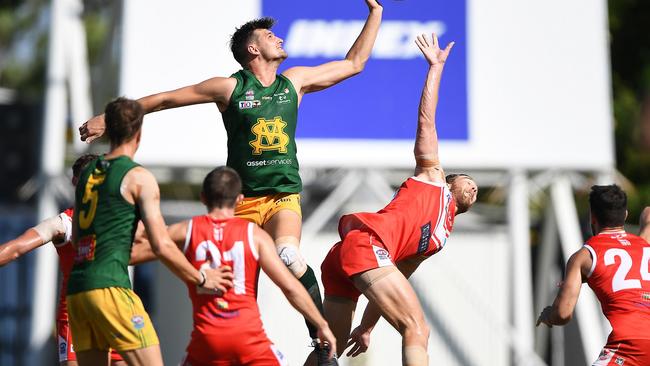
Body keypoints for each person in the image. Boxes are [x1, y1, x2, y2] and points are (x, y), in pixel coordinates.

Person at [78, 3, 382, 361]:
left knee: (288, 256)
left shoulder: (295, 81)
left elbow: (354, 64)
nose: (279, 38)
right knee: (237, 286)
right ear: (253, 49)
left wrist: (375, 12)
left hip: (282, 198)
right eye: (270, 36)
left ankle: (321, 341)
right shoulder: (229, 87)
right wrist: (107, 118)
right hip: (241, 202)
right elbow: (164, 100)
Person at [314, 33, 477, 366]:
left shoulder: (439, 237)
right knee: (417, 329)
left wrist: (367, 326)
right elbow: (426, 122)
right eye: (467, 180)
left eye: (476, 189)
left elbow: (396, 274)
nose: (473, 187)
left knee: (331, 347)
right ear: (449, 180)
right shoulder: (432, 179)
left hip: (354, 256)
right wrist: (435, 68)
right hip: (364, 245)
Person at [67, 98, 234, 366]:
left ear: (110, 129)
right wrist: (202, 278)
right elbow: (162, 245)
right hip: (111, 288)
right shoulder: (137, 177)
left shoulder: (88, 174)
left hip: (78, 291)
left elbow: (77, 239)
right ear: (139, 133)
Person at [131, 166, 337, 365]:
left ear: (203, 197)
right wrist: (321, 325)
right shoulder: (254, 235)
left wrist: (141, 231)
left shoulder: (187, 230)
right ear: (239, 199)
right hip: (250, 341)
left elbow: (138, 253)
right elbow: (290, 287)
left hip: (206, 343)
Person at [0, 154, 126, 366]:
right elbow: (15, 249)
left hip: (114, 311)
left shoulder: (120, 219)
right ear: (75, 183)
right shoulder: (64, 222)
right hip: (77, 317)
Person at [537, 185, 650, 366]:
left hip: (628, 346)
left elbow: (563, 313)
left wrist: (549, 314)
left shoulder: (584, 256)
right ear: (626, 215)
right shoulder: (644, 246)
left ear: (592, 217)